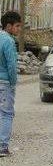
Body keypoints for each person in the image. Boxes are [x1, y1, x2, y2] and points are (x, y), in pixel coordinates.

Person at [0, 12, 21, 157]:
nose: (19, 29)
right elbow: (12, 65)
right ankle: (3, 147)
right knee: (7, 114)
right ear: (9, 26)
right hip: (5, 83)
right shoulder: (8, 41)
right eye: (17, 26)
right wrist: (14, 83)